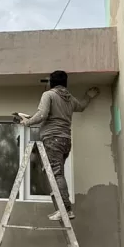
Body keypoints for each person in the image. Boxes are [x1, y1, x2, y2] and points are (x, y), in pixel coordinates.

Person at [18, 70, 98, 220]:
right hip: (65, 141)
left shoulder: (48, 95)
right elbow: (81, 106)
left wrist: (27, 122)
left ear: (51, 82)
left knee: (55, 174)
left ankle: (65, 210)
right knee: (56, 174)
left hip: (53, 139)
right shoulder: (69, 99)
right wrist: (89, 96)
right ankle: (61, 209)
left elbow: (42, 114)